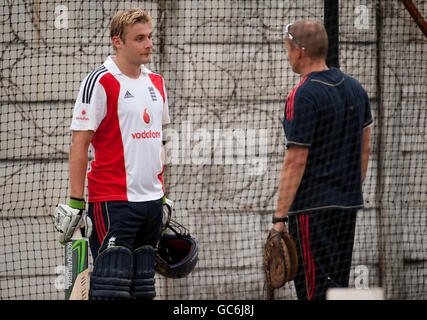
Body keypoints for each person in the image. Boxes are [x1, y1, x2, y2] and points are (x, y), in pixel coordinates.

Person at [59, 9, 170, 300]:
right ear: (117, 41)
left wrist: (163, 194)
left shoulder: (156, 82)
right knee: (111, 290)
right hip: (113, 202)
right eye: (140, 39)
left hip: (152, 203)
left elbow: (158, 143)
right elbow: (79, 144)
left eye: (149, 37)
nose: (149, 44)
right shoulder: (99, 81)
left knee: (144, 289)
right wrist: (74, 202)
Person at [271, 20, 373, 300]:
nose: (288, 55)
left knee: (315, 290)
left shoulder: (302, 95)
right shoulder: (355, 89)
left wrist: (279, 219)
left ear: (299, 52)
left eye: (288, 49)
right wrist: (348, 188)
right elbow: (365, 149)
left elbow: (295, 161)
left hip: (312, 211)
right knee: (336, 288)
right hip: (346, 206)